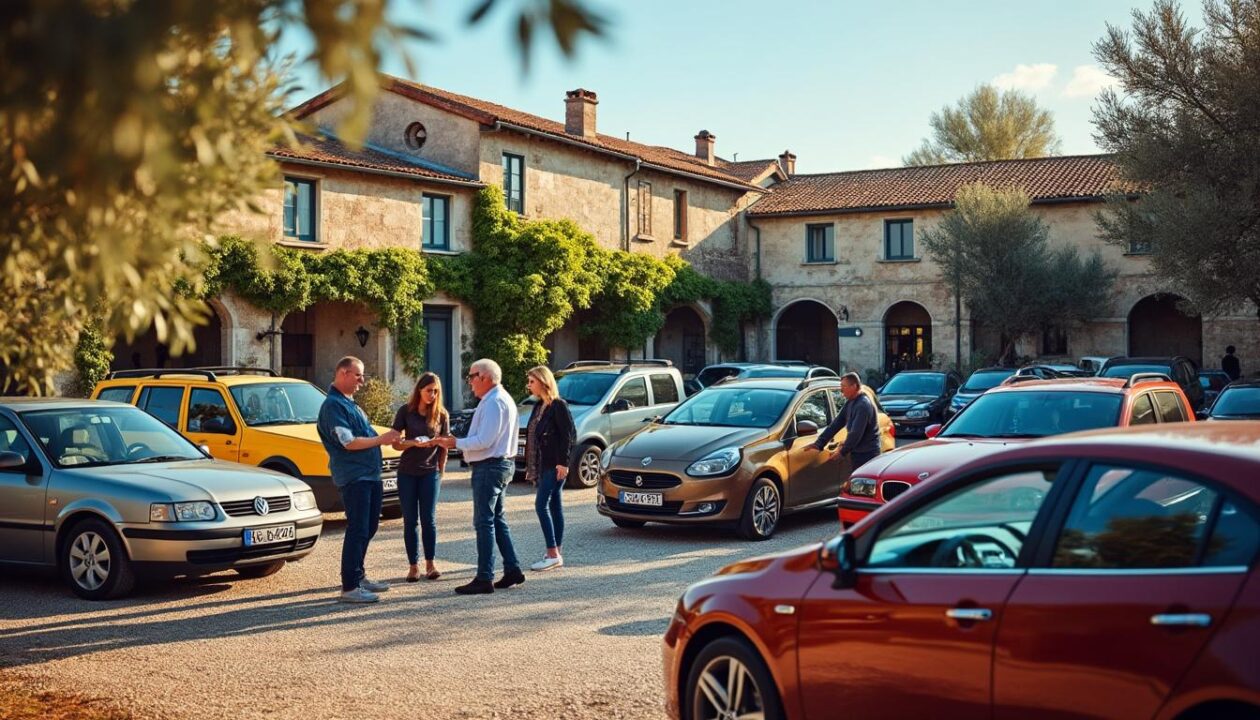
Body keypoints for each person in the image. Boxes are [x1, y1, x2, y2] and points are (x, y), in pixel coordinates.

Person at [316, 356, 401, 604]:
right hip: (355, 476)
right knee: (358, 528)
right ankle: (350, 586)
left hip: (370, 474)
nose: (362, 381)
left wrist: (395, 440)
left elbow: (366, 435)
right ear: (343, 373)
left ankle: (359, 575)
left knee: (369, 526)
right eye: (358, 375)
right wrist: (381, 440)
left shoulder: (350, 404)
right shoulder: (333, 406)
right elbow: (348, 442)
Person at [435, 359, 523, 595]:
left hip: (490, 467)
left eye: (471, 376)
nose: (469, 382)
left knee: (484, 521)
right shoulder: (497, 399)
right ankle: (512, 569)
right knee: (496, 519)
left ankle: (485, 577)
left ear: (484, 377)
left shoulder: (494, 402)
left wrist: (455, 443)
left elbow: (485, 440)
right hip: (498, 465)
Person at [391, 372, 449, 582]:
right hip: (407, 472)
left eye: (436, 391)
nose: (432, 395)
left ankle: (430, 565)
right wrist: (412, 443)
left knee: (429, 520)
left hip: (430, 473)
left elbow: (445, 445)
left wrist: (441, 469)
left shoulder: (441, 414)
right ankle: (413, 566)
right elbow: (395, 443)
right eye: (429, 391)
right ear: (419, 390)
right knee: (410, 520)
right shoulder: (405, 411)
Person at [523, 366, 575, 572]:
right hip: (542, 462)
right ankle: (556, 554)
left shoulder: (558, 405)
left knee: (541, 505)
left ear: (543, 382)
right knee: (554, 505)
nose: (529, 385)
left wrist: (563, 463)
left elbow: (568, 435)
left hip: (554, 464)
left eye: (532, 381)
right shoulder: (539, 406)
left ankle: (552, 554)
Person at [806, 372, 881, 471]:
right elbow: (836, 423)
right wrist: (819, 443)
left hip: (867, 455)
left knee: (862, 480)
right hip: (857, 453)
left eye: (844, 386)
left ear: (854, 386)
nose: (841, 390)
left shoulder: (863, 405)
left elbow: (855, 433)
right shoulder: (851, 402)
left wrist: (842, 452)